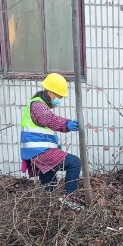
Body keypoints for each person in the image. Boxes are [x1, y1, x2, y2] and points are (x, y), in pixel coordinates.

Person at [20, 73, 83, 210]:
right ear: (50, 92)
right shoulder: (38, 105)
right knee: (74, 163)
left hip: (37, 152)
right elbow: (49, 119)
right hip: (40, 152)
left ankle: (46, 208)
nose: (59, 100)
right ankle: (68, 198)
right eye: (58, 96)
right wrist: (67, 124)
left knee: (49, 183)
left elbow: (44, 129)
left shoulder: (39, 105)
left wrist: (56, 144)